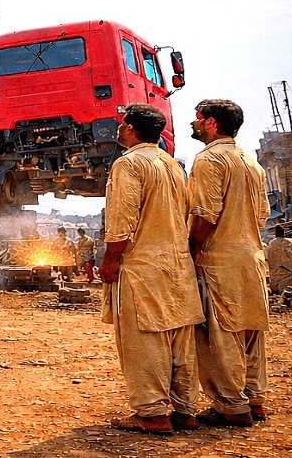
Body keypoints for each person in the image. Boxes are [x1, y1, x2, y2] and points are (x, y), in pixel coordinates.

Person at [101, 103, 204, 435]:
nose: (119, 129)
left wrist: (110, 259)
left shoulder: (128, 164)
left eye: (122, 124)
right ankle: (186, 410)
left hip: (142, 267)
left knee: (144, 341)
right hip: (177, 266)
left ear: (131, 129)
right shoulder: (174, 166)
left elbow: (121, 220)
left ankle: (152, 414)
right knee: (180, 340)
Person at [187, 99, 271, 427]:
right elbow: (262, 216)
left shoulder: (209, 160)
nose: (193, 124)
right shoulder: (252, 164)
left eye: (197, 119)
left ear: (211, 123)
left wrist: (193, 251)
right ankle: (255, 400)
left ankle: (231, 405)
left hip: (219, 260)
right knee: (251, 332)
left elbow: (205, 216)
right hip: (251, 258)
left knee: (217, 335)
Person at [264, 225, 292, 294]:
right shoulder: (290, 242)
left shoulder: (272, 243)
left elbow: (269, 257)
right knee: (286, 291)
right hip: (286, 270)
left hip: (276, 271)